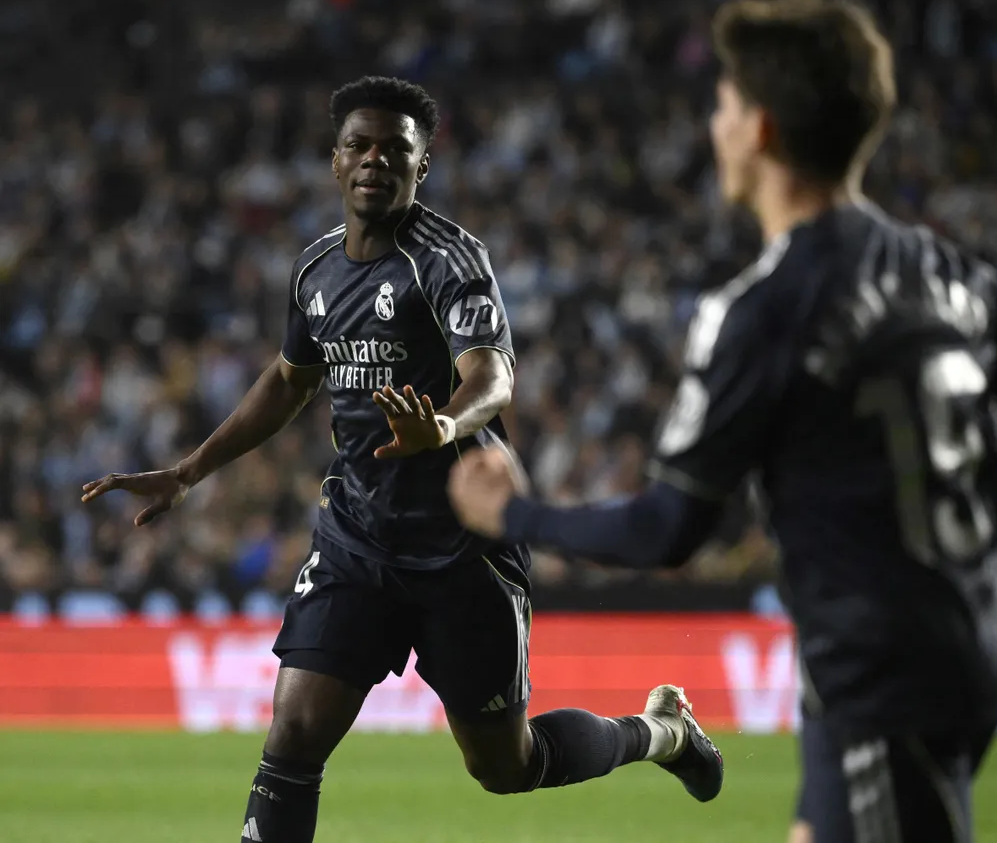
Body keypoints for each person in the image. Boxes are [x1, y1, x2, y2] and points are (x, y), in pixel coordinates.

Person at [447, 0, 997, 843]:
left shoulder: (766, 310)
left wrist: (511, 514)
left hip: (884, 674)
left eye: (725, 105)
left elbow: (668, 529)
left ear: (763, 128)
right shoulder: (953, 275)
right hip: (958, 646)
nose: (714, 124)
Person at [82, 76, 722, 843]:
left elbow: (493, 372)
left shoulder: (449, 258)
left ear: (425, 167)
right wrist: (190, 469)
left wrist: (446, 425)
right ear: (334, 161)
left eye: (396, 150)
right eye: (359, 146)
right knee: (293, 738)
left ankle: (664, 733)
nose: (375, 161)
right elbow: (290, 380)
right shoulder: (315, 271)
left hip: (461, 549)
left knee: (505, 767)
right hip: (357, 538)